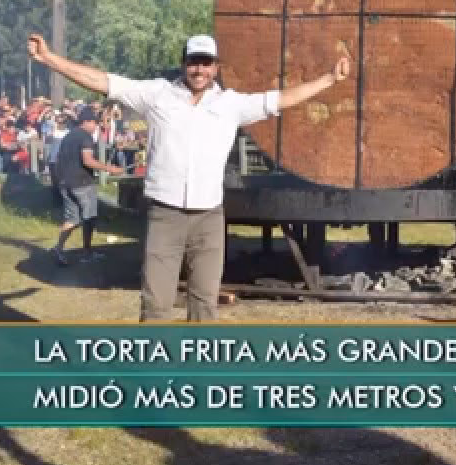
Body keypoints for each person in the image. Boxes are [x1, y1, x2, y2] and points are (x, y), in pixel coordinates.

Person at [27, 32, 349, 322]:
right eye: (194, 62)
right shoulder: (156, 94)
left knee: (205, 304)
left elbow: (282, 99)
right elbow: (102, 81)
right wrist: (49, 59)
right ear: (184, 64)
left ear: (216, 67)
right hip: (165, 214)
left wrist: (330, 79)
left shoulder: (231, 104)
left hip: (209, 218)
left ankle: (198, 374)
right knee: (156, 305)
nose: (200, 70)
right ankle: (153, 378)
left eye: (206, 63)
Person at [49, 106, 124, 265]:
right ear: (87, 121)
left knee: (72, 219)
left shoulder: (68, 137)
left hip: (65, 183)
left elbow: (58, 160)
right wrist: (111, 169)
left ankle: (59, 248)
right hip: (82, 183)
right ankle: (87, 252)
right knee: (89, 218)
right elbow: (87, 160)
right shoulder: (85, 137)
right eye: (95, 123)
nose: (96, 126)